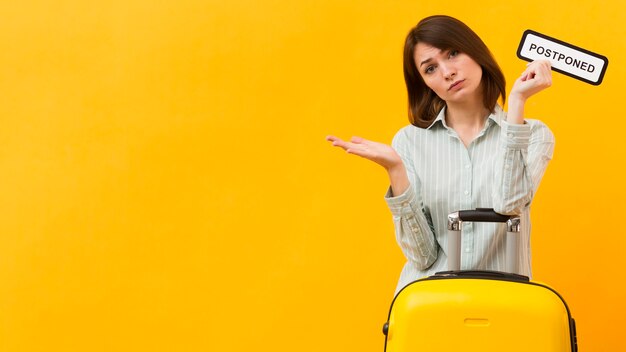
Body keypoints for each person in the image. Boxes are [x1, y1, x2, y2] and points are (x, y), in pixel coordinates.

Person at [326, 15, 555, 294]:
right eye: (431, 68)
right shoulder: (409, 142)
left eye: (453, 53)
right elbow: (422, 257)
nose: (447, 72)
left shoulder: (534, 135)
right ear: (424, 82)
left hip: (503, 306)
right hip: (429, 306)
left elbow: (509, 204)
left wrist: (518, 102)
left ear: (476, 51)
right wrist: (395, 170)